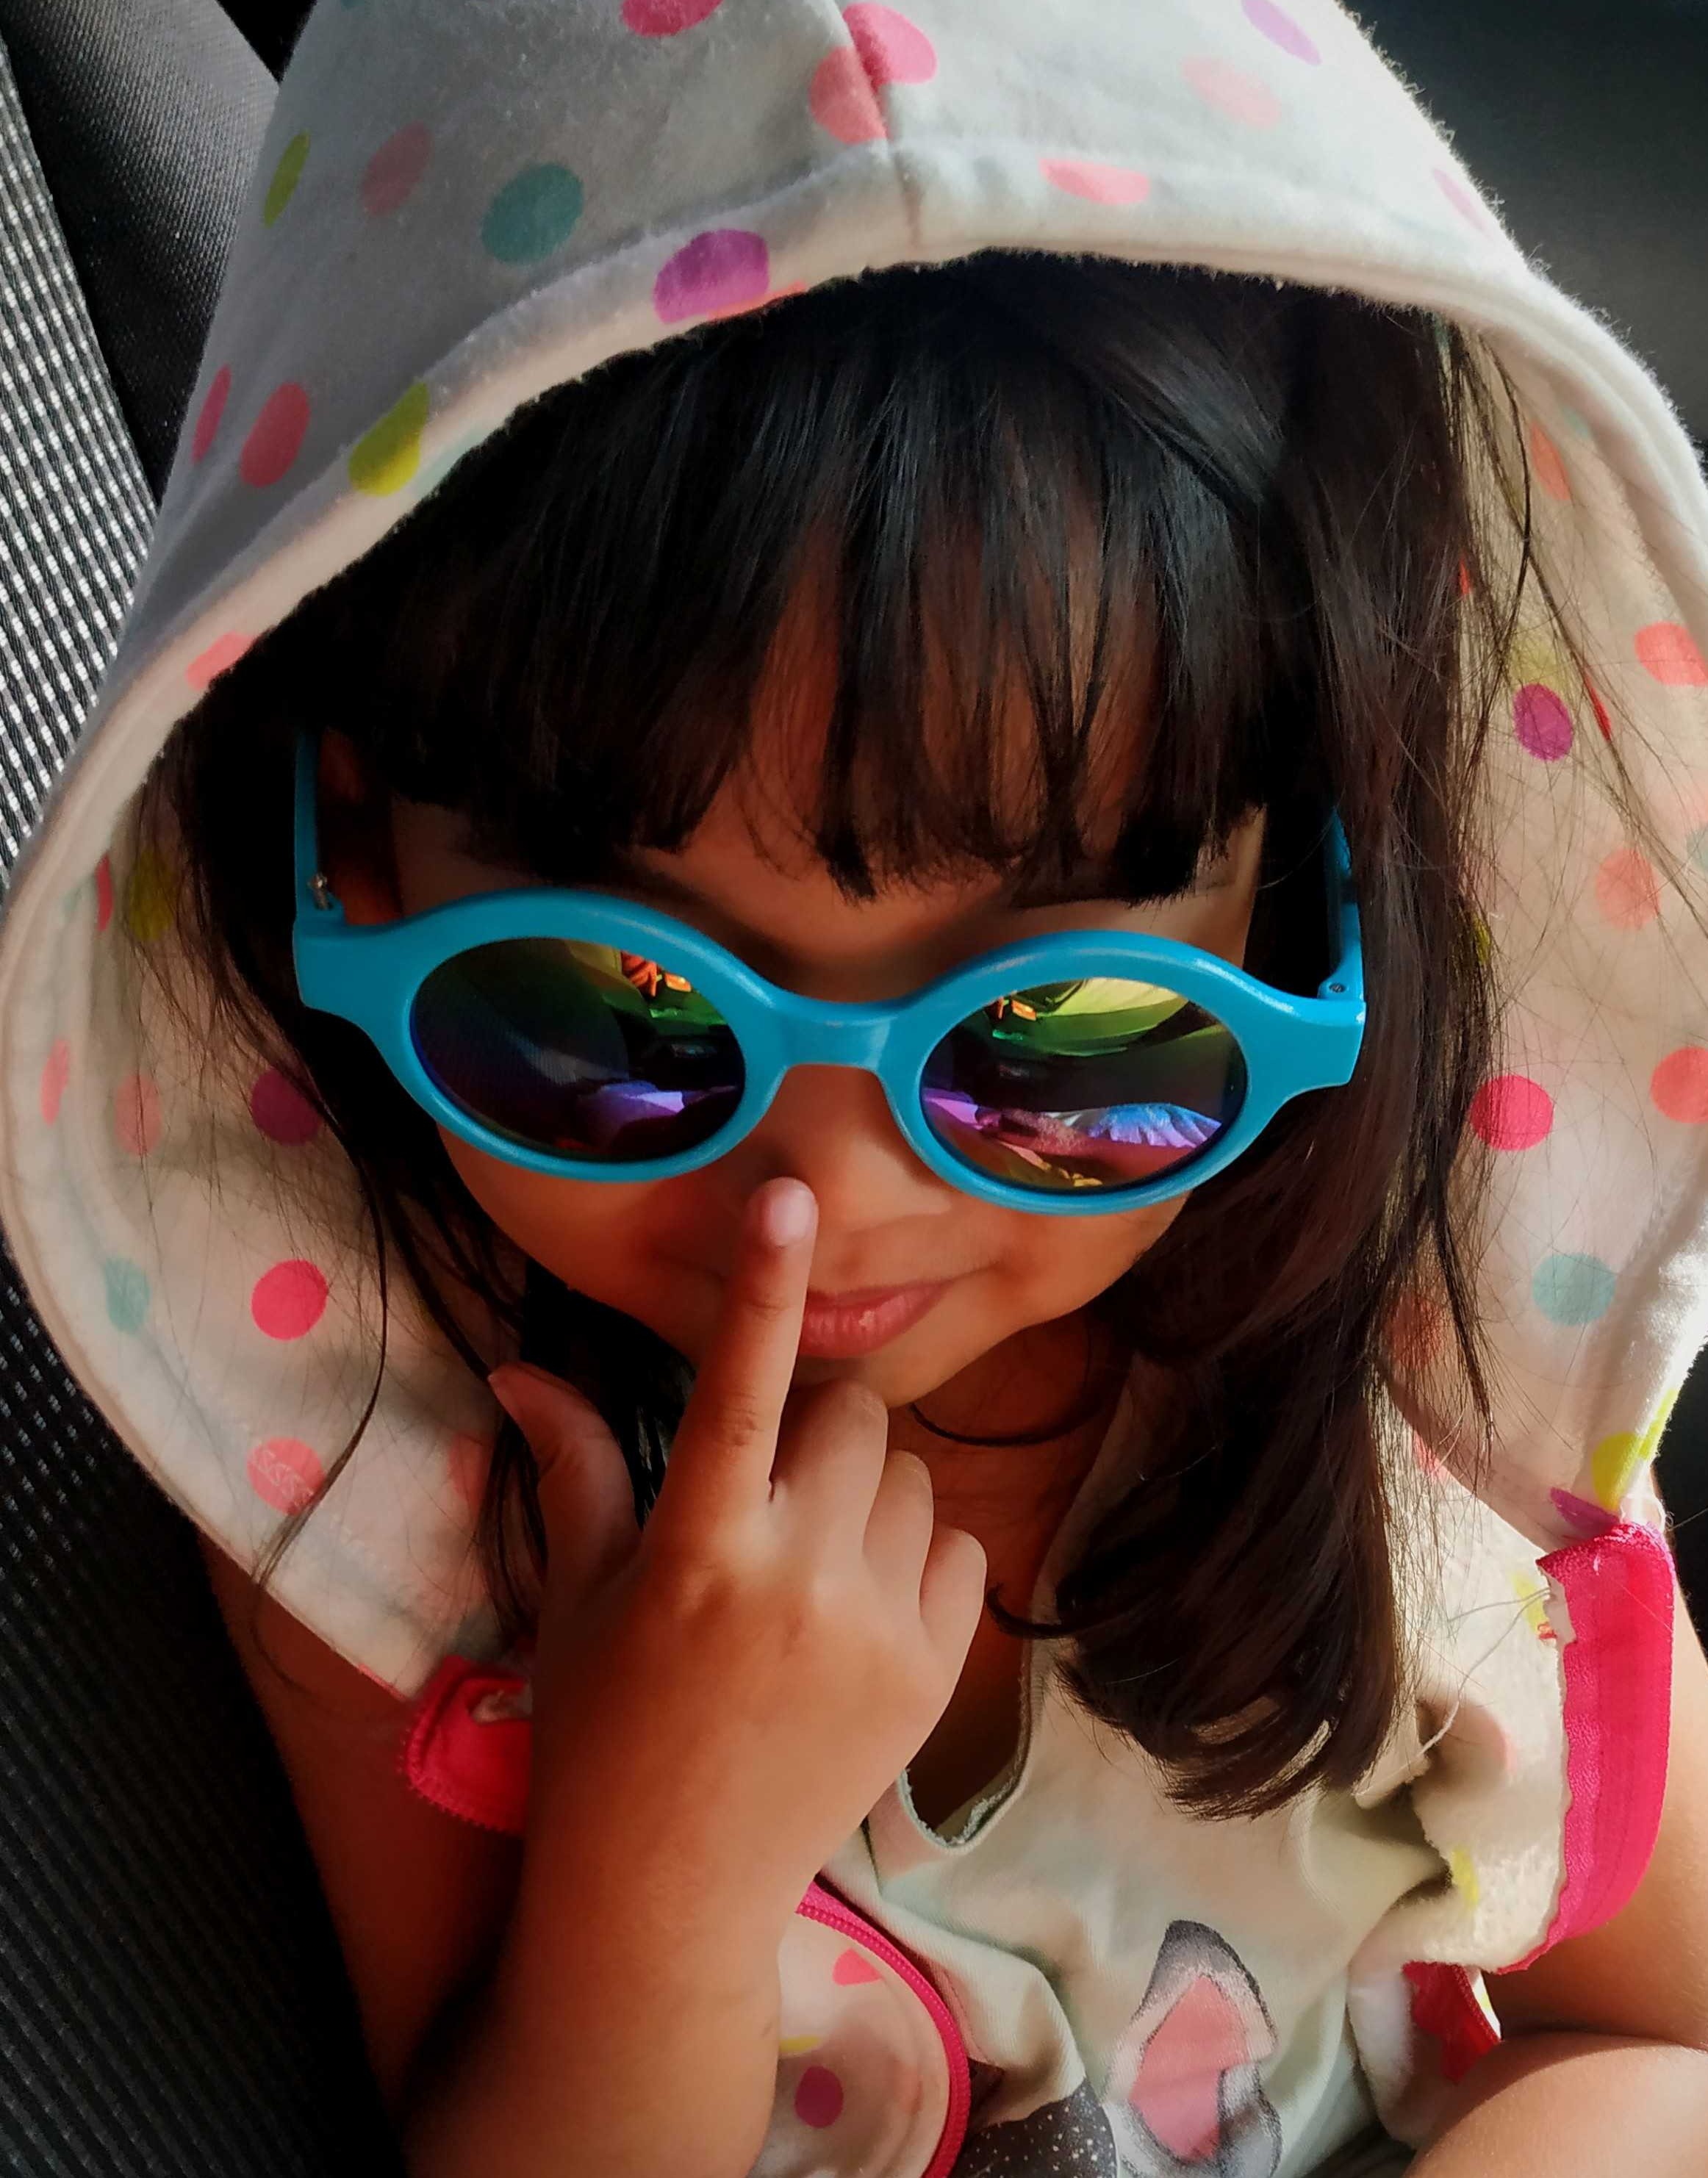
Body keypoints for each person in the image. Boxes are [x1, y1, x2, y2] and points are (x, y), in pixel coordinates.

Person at [2, 1, 1707, 2171]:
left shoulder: (1414, 1393)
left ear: (1299, 907)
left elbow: (1659, 2035)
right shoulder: (376, 1497)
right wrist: (660, 1874)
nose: (823, 1195)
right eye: (606, 1015)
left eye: (1065, 1037)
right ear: (352, 847)